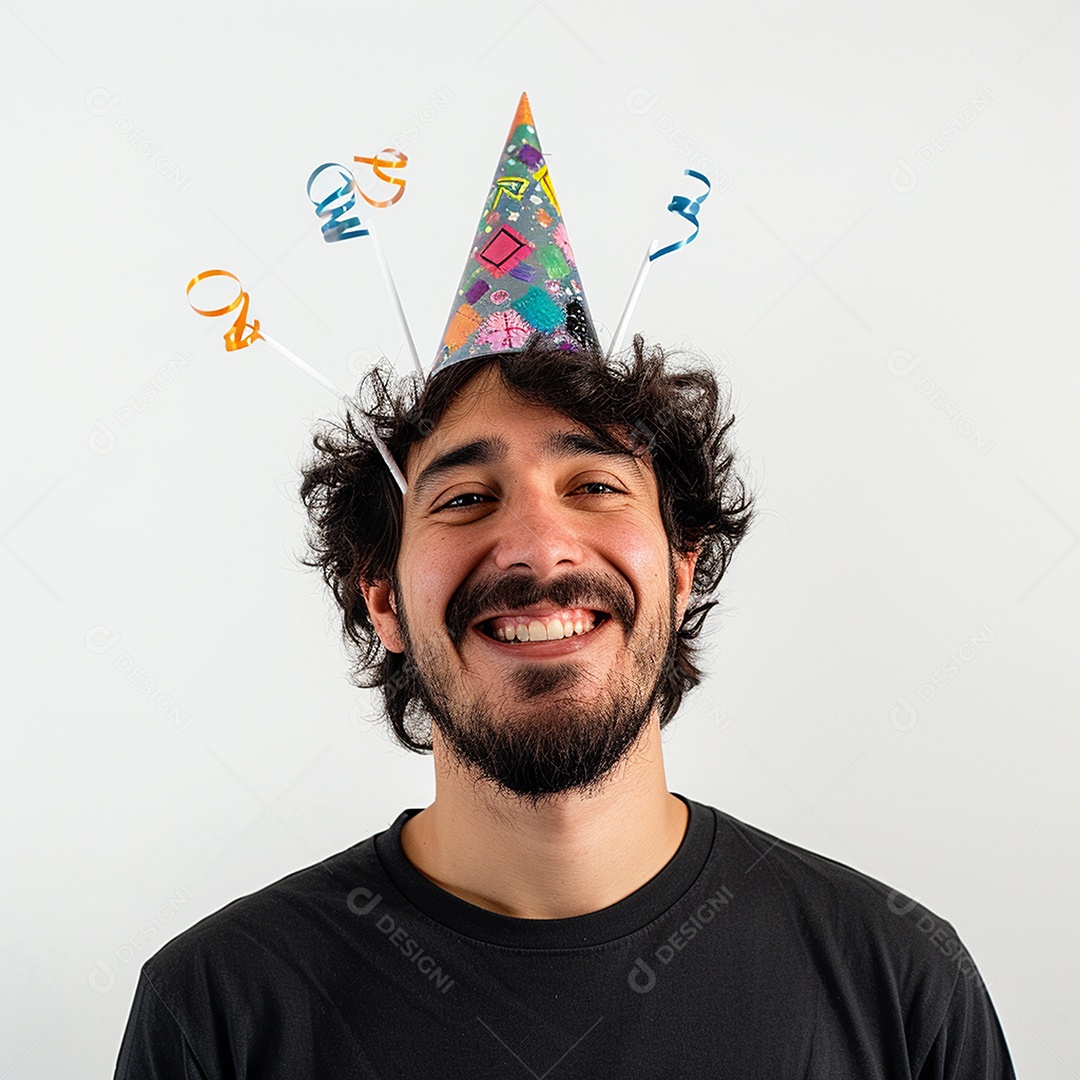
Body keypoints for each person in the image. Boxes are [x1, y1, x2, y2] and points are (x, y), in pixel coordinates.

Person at [116, 93, 1014, 1077]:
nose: (538, 547)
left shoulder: (899, 988)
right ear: (382, 598)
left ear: (682, 567)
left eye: (593, 485)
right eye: (463, 499)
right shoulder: (218, 1014)